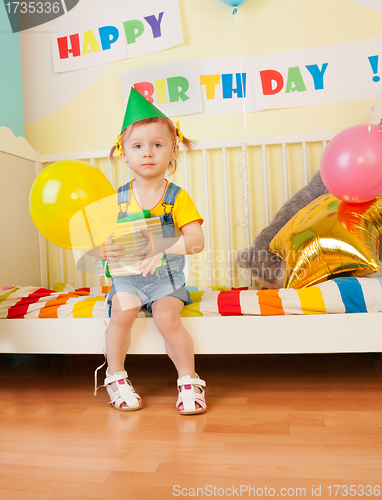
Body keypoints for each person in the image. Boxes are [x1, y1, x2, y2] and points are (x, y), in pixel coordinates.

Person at [93, 88, 206, 415]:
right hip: (128, 281)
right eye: (138, 146)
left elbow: (197, 241)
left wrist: (164, 245)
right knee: (121, 313)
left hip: (166, 283)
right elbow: (101, 243)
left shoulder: (177, 197)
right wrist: (107, 250)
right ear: (124, 154)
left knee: (166, 316)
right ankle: (116, 376)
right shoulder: (116, 200)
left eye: (157, 145)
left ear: (173, 152)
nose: (148, 153)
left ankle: (189, 379)